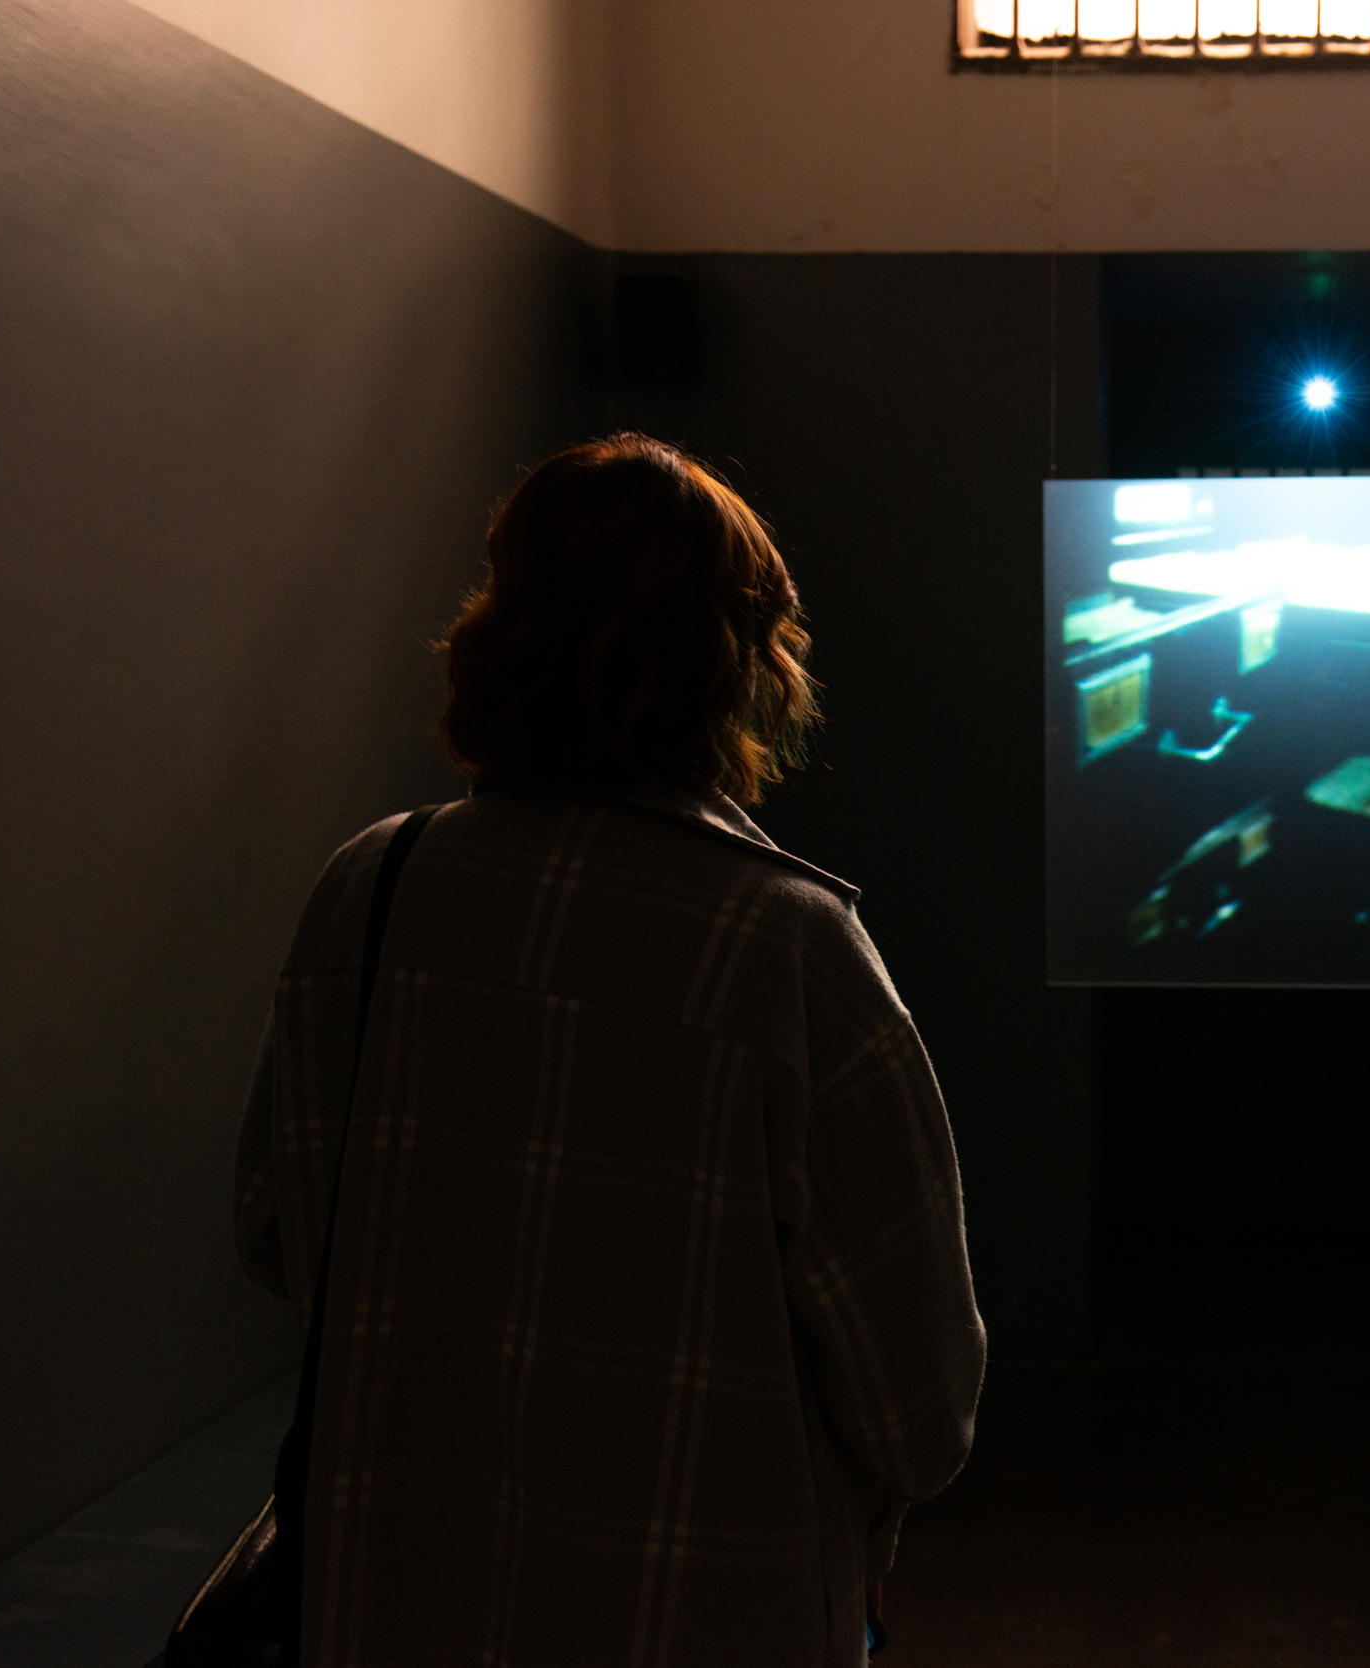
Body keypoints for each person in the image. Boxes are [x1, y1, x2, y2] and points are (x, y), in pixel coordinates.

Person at [233, 434, 984, 1666]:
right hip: (707, 1604)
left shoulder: (368, 887)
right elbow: (923, 1409)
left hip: (392, 1592)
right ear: (738, 661)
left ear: (496, 622)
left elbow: (276, 1230)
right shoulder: (787, 947)